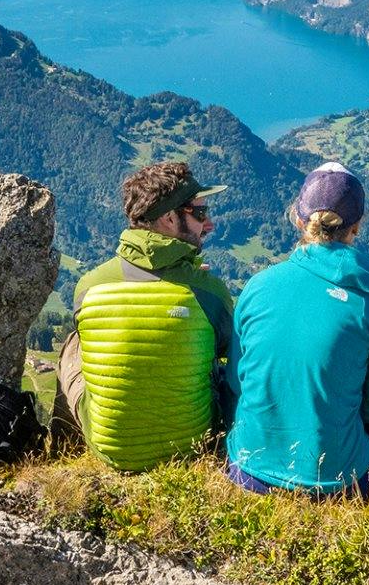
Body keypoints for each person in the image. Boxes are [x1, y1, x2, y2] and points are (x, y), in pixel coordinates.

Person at [225, 163, 369, 495]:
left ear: (299, 219)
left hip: (247, 469)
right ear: (357, 226)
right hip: (337, 483)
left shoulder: (258, 285)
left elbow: (236, 380)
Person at [54, 161, 235, 470]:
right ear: (169, 218)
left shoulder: (89, 286)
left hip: (112, 452)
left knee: (74, 344)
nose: (210, 224)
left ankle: (62, 451)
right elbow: (227, 353)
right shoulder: (209, 291)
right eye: (201, 213)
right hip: (190, 448)